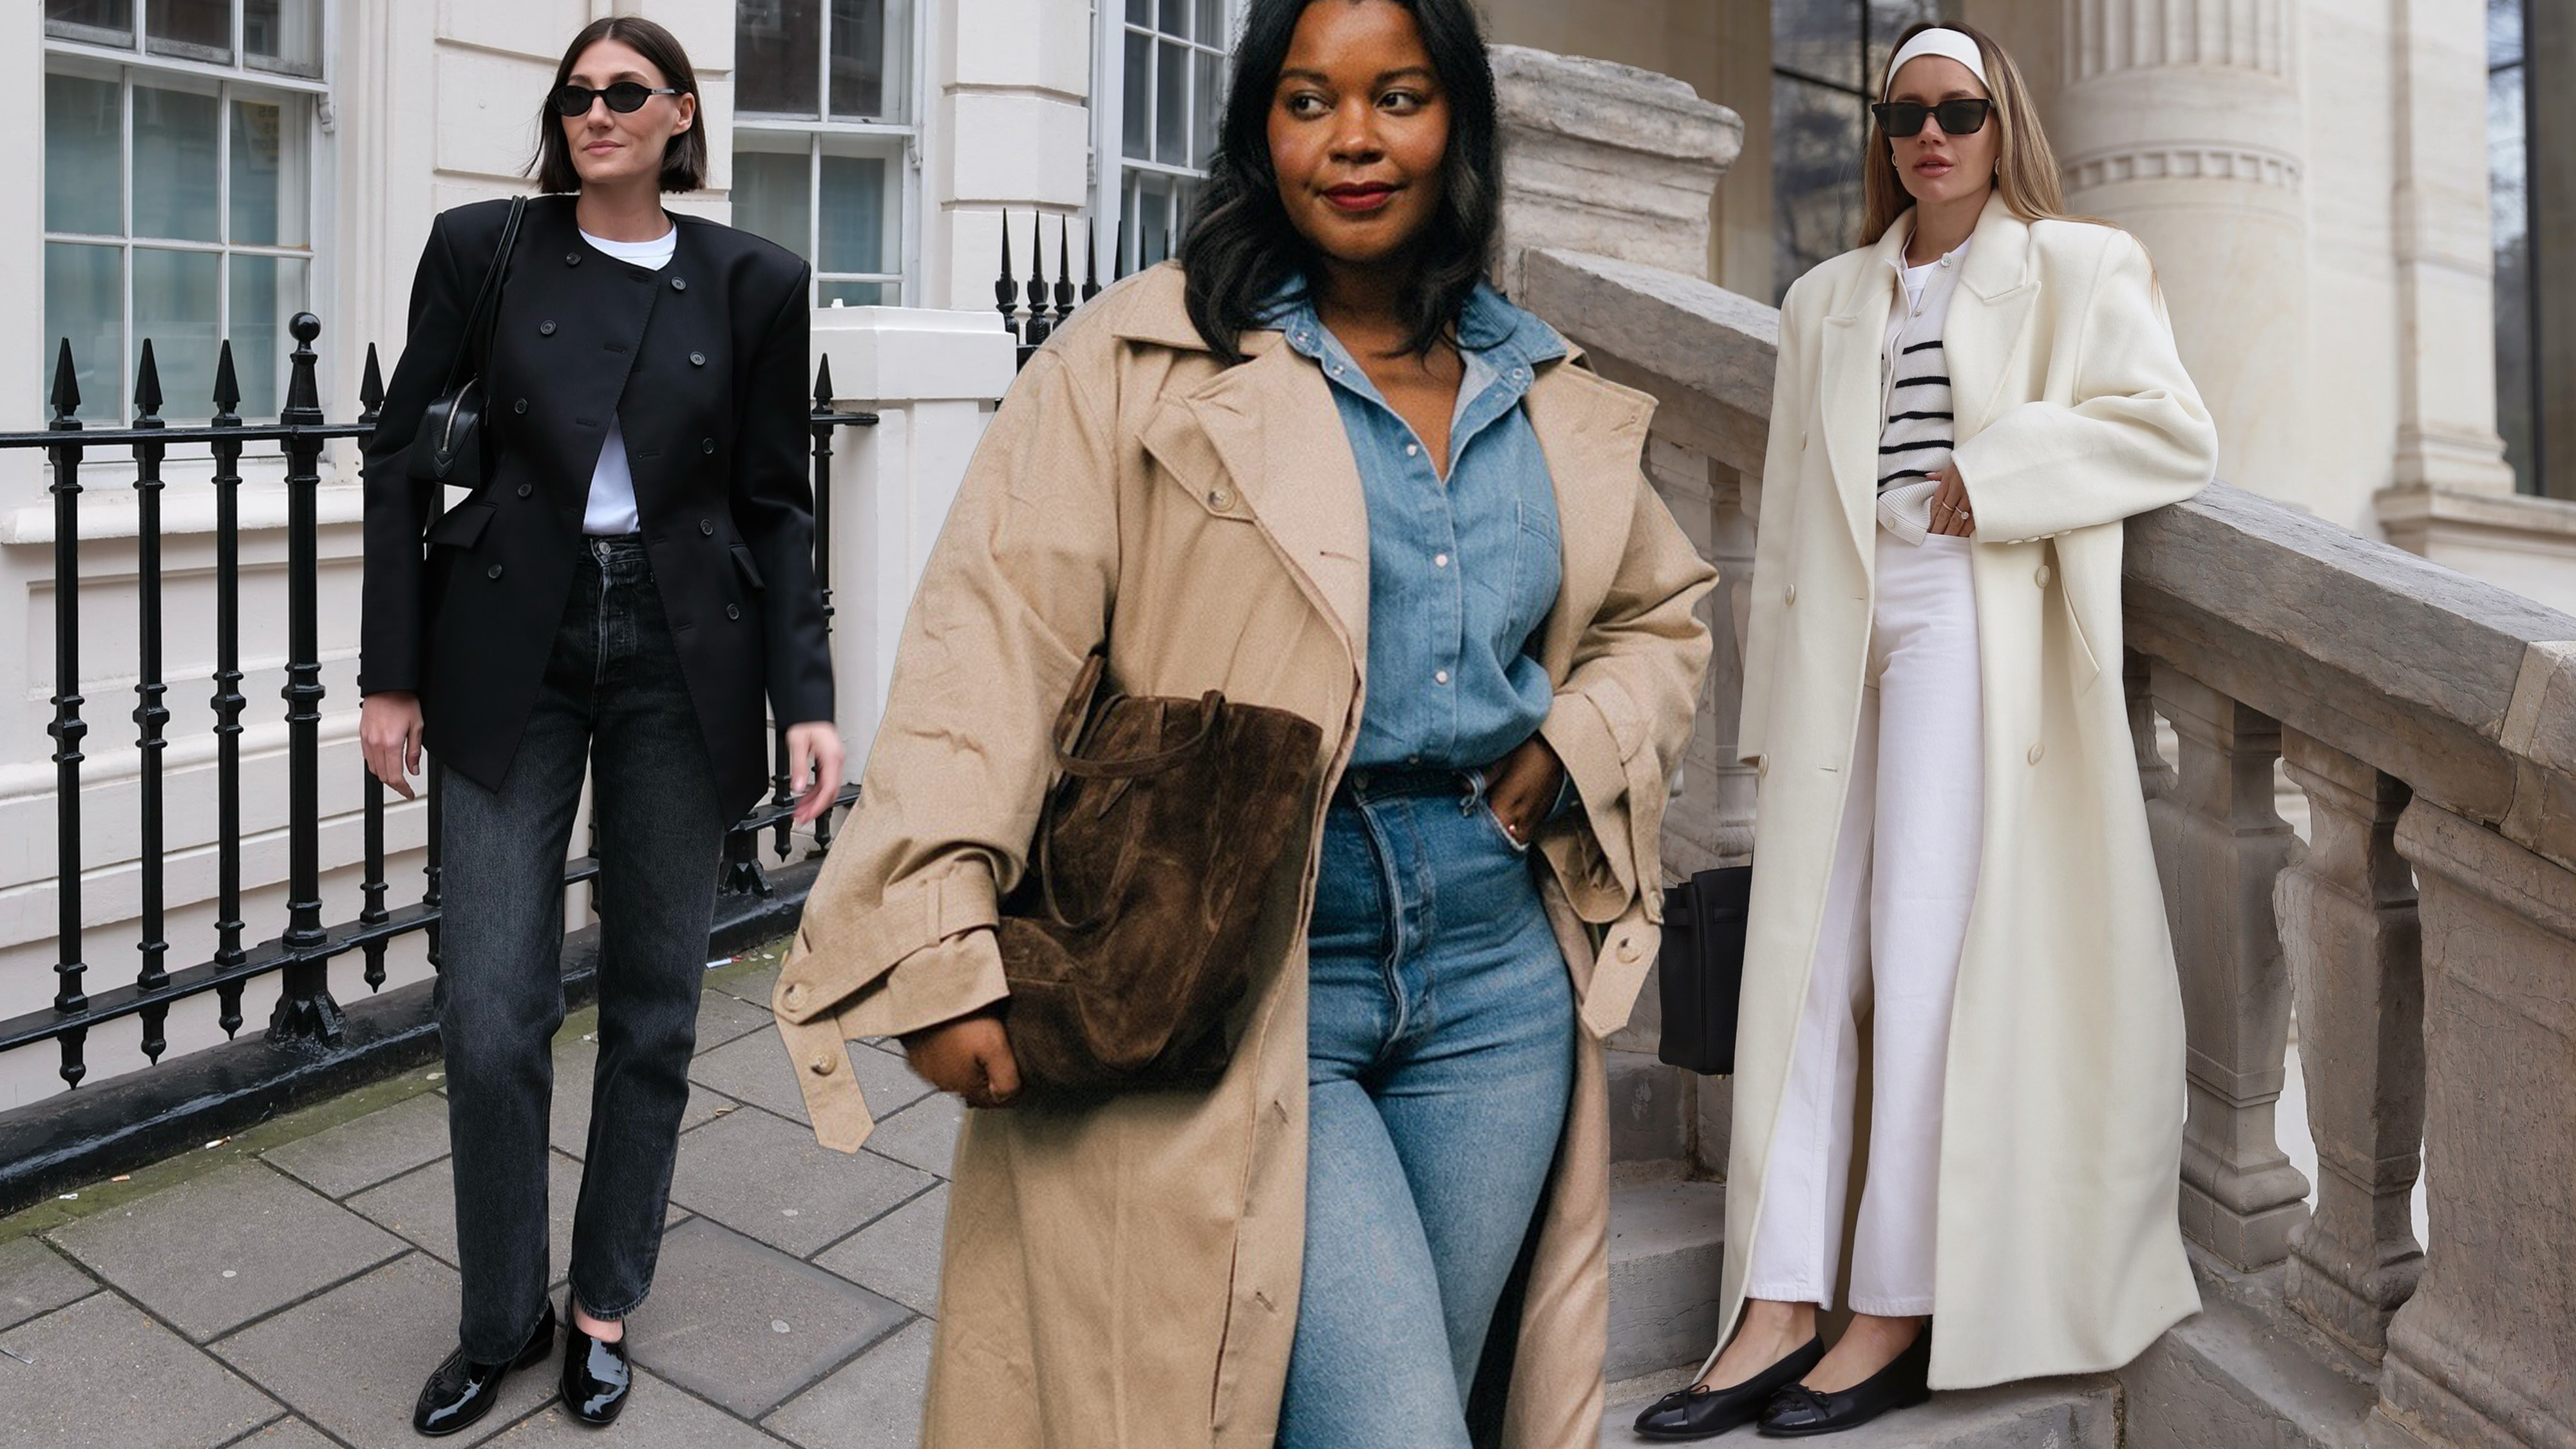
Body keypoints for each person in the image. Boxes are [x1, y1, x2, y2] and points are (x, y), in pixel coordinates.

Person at [766, 0, 1714, 1444]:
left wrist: (1569, 744)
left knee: (1392, 1405)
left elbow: (1658, 613)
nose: (1351, 139)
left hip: (1492, 973)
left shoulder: (1540, 388)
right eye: (1304, 100)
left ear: (1453, 119)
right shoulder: (1137, 365)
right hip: (1237, 949)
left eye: (1394, 97)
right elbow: (991, 646)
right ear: (1256, 132)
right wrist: (932, 942)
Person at [1632, 21, 2219, 1442]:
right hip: (1842, 620)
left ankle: (1888, 1304)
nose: (1929, 135)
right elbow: (1778, 521)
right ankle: (1774, 1303)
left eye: (1955, 108)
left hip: (1965, 603)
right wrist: (1769, 707)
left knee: (1921, 948)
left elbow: (2167, 430)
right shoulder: (1827, 294)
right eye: (1903, 113)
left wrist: (1994, 468)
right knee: (1804, 954)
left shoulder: (2077, 264)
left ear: (1997, 118)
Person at [355, 15, 842, 1436]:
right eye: (575, 95)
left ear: (681, 114)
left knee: (654, 1007)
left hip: (682, 657)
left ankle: (602, 1302)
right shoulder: (482, 248)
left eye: (626, 94)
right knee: (492, 1010)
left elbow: (772, 502)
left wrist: (804, 697)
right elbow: (399, 459)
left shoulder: (753, 281)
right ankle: (499, 1313)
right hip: (515, 640)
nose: (596, 114)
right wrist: (392, 675)